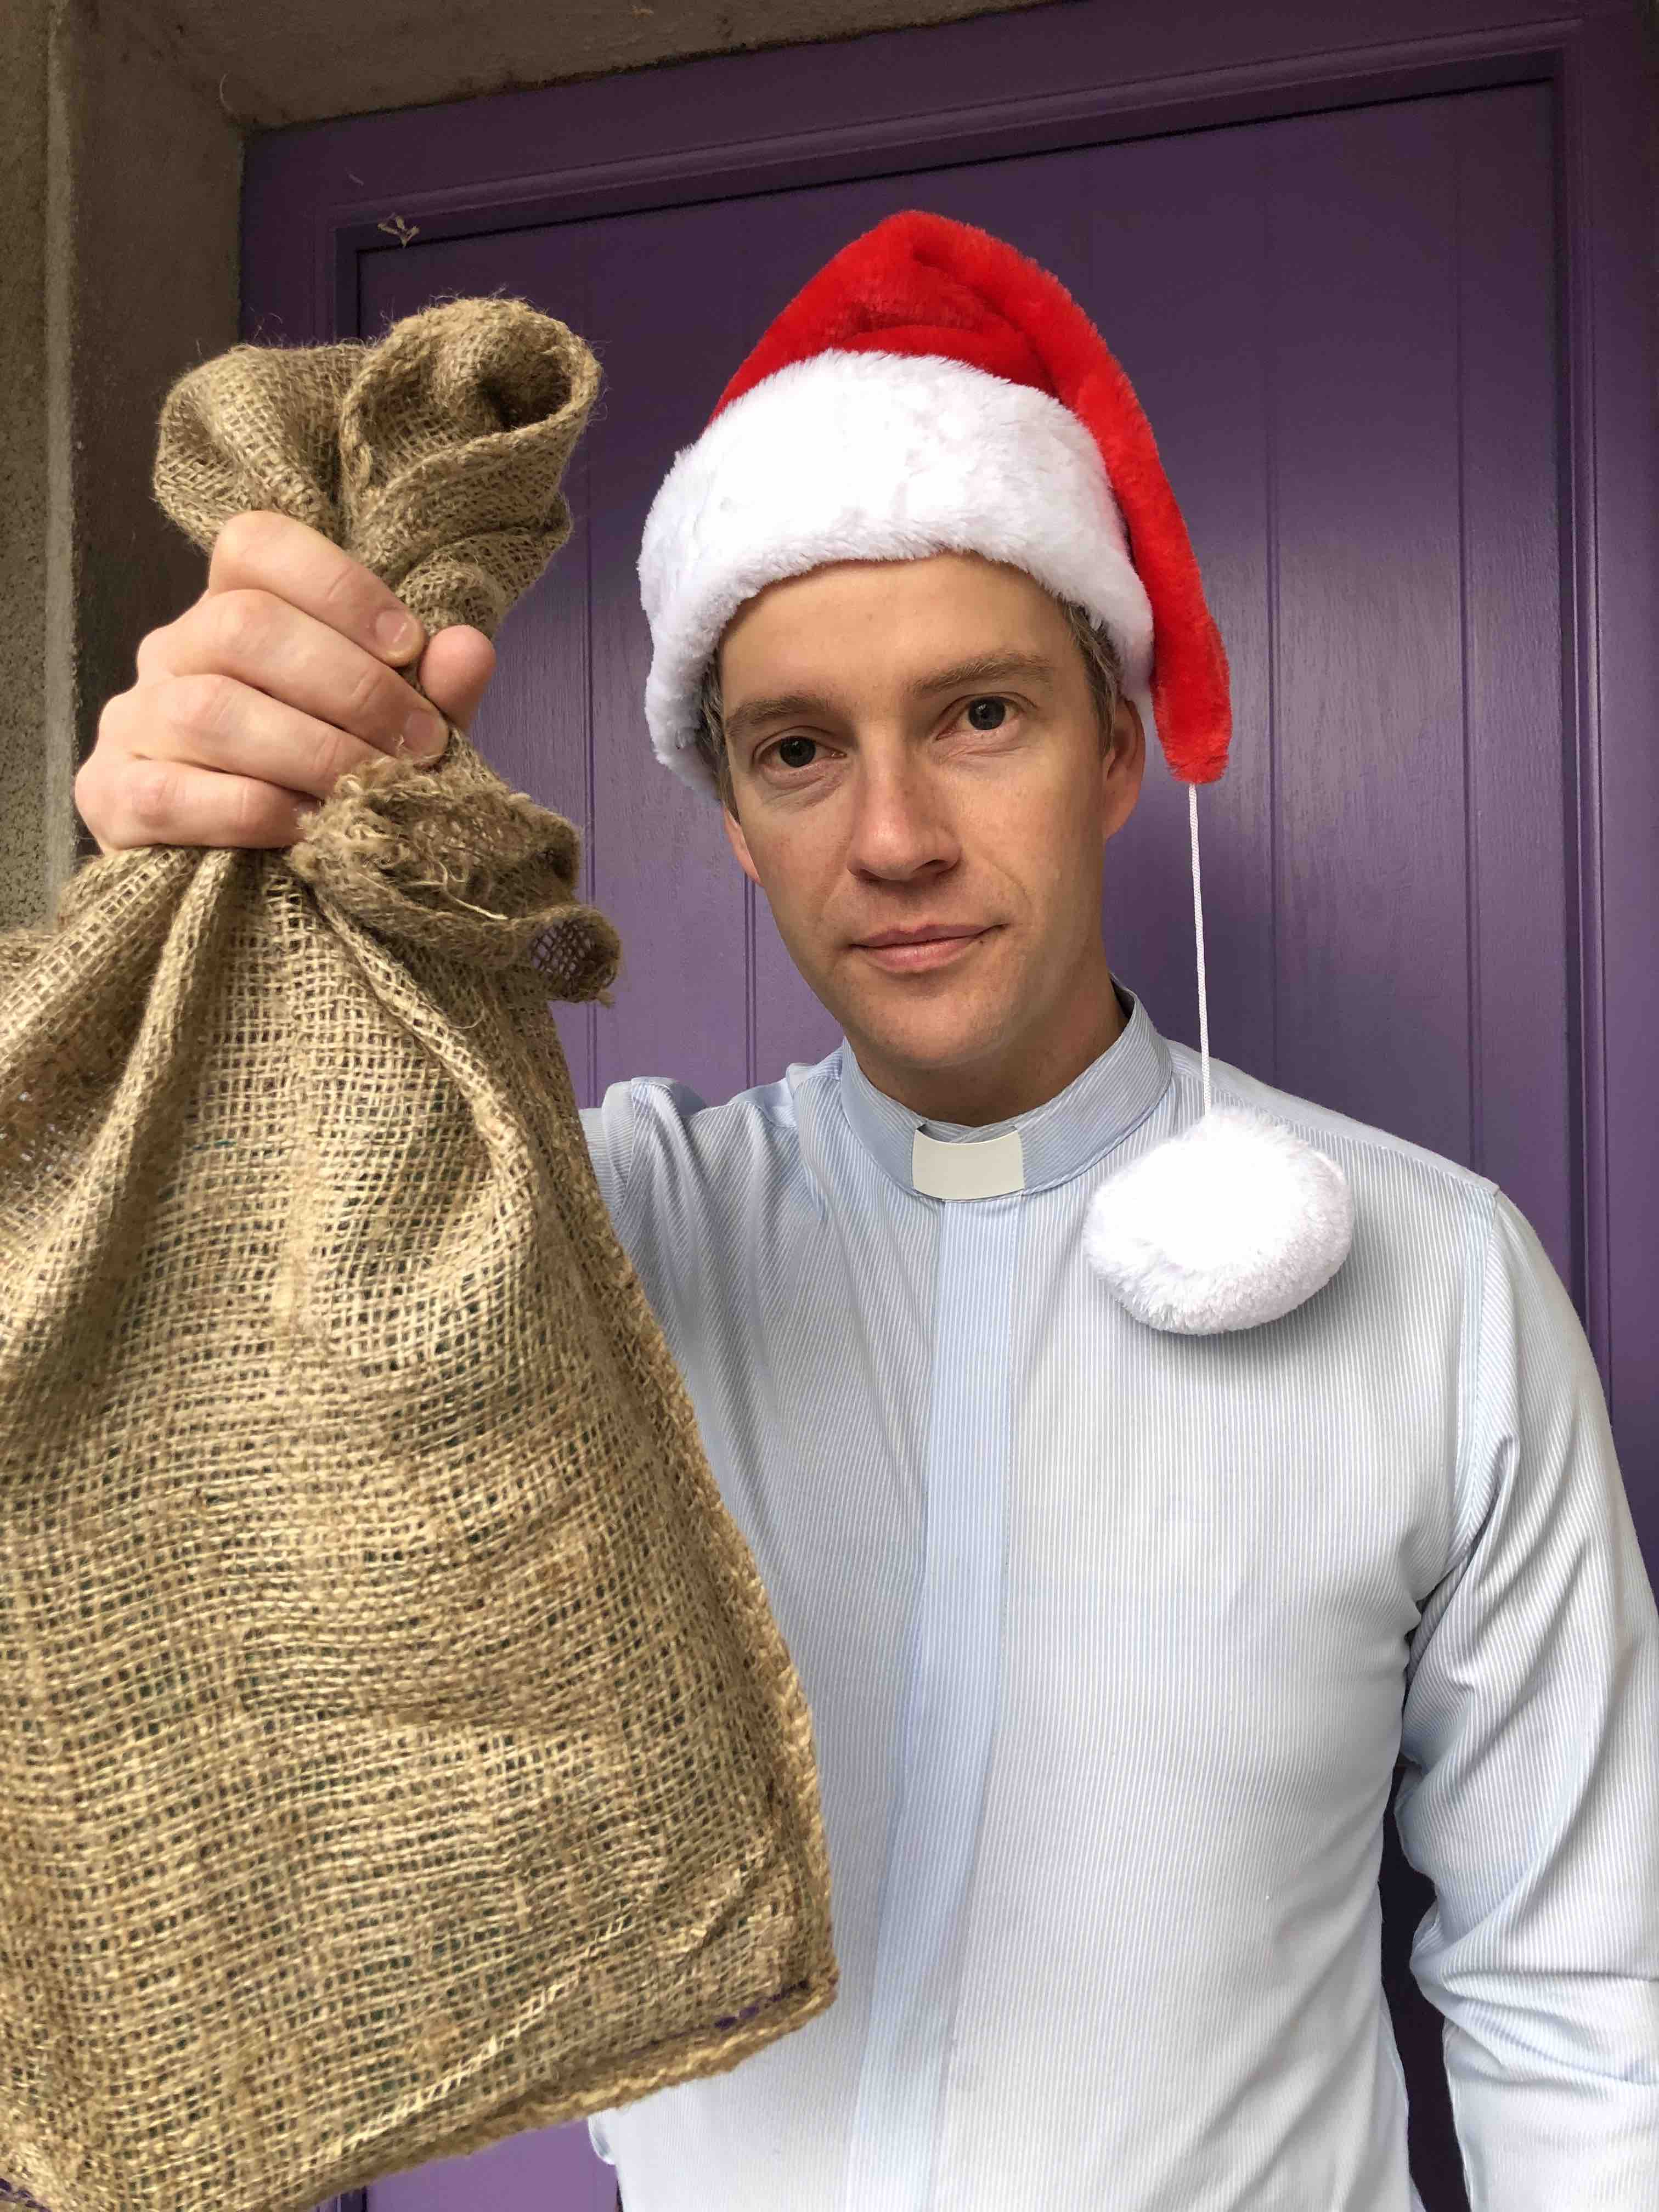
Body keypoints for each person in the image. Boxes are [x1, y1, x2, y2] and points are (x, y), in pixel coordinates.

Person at [74, 213, 1658, 2212]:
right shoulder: (590, 1238)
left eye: (981, 715)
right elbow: (177, 1453)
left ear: (1113, 745)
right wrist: (173, 908)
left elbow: (1588, 1990)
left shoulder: (1435, 1280)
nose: (896, 838)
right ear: (732, 820)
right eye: (801, 750)